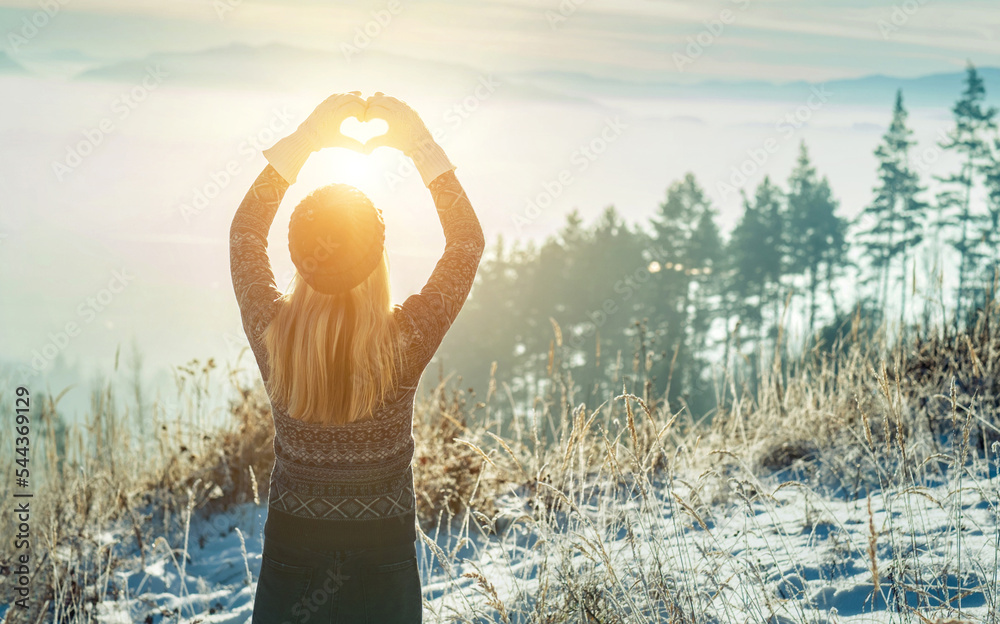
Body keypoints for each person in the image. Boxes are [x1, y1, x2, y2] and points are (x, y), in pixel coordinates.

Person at [230, 90, 485, 623]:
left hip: (291, 551)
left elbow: (245, 233)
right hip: (382, 559)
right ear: (377, 261)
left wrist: (305, 140)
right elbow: (466, 243)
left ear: (301, 259)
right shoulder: (403, 342)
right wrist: (421, 147)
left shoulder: (273, 334)